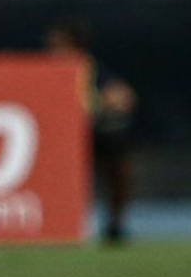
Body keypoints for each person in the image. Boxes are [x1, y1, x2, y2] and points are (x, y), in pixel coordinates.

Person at [46, 19, 137, 243]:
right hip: (55, 135)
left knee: (118, 159)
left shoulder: (88, 68)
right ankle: (58, 223)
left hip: (90, 132)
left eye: (59, 45)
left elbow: (124, 96)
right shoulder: (44, 70)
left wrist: (109, 101)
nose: (54, 51)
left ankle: (116, 224)